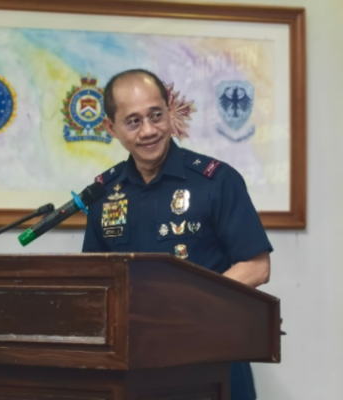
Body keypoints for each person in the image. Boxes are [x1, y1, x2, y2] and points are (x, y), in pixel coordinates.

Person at [82, 69, 272, 400]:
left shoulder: (216, 181)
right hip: (135, 367)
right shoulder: (103, 194)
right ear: (111, 128)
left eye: (156, 115)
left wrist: (187, 307)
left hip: (212, 357)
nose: (149, 130)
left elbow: (257, 266)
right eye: (133, 121)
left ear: (170, 112)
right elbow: (93, 282)